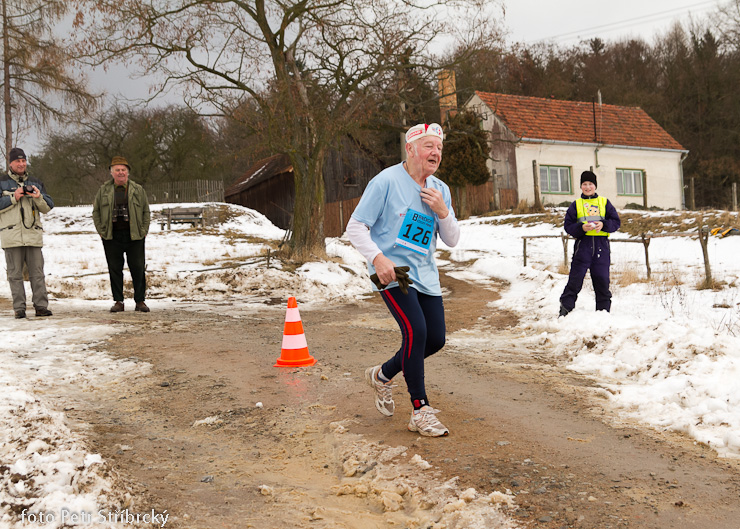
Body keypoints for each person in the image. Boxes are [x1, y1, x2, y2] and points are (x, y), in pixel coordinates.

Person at [347, 123, 460, 437]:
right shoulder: (385, 182)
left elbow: (451, 239)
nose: (435, 153)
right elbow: (355, 227)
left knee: (434, 338)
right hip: (393, 273)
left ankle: (383, 375)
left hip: (425, 275)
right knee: (417, 330)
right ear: (410, 150)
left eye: (438, 147)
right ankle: (420, 410)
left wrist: (442, 211)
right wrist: (378, 258)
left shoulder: (441, 189)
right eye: (428, 146)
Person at [0, 147, 54, 319]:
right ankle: (19, 308)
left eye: (23, 161)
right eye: (18, 161)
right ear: (10, 163)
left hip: (33, 236)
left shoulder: (36, 182)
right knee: (15, 275)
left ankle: (41, 306)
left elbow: (48, 206)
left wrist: (38, 196)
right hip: (12, 236)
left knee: (37, 274)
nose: (21, 164)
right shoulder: (2, 182)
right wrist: (13, 197)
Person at [93, 156, 151, 313]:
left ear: (128, 173)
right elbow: (96, 212)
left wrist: (143, 231)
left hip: (135, 236)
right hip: (111, 237)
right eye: (117, 170)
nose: (120, 173)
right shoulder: (103, 190)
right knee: (114, 269)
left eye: (123, 170)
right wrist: (102, 231)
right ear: (111, 172)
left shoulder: (138, 190)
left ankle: (140, 301)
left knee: (138, 268)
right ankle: (118, 301)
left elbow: (146, 211)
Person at [559, 170, 621, 317]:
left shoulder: (604, 202)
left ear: (595, 186)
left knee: (602, 282)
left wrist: (603, 225)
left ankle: (603, 315)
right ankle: (564, 312)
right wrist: (581, 228)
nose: (587, 187)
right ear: (581, 186)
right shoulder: (576, 204)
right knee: (575, 280)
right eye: (584, 184)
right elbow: (568, 226)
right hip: (583, 247)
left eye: (590, 184)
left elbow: (616, 222)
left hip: (601, 247)